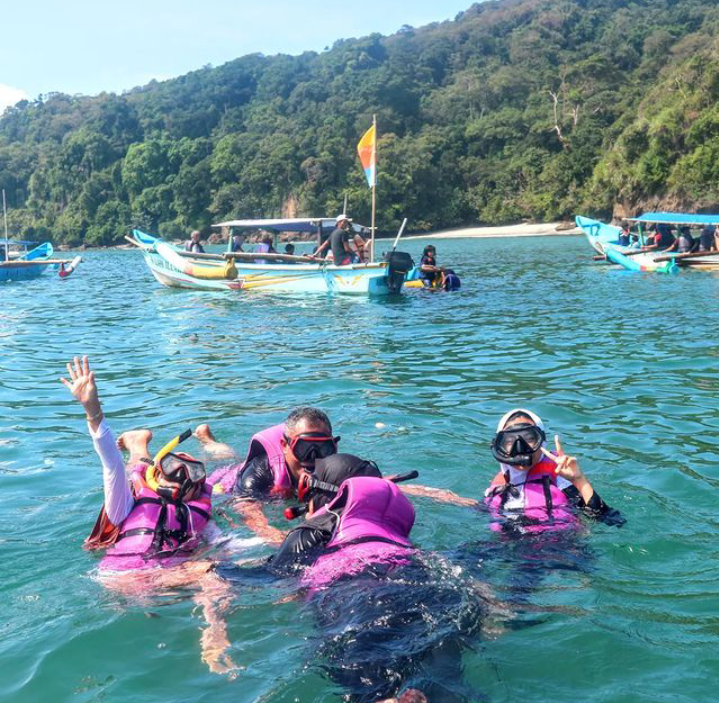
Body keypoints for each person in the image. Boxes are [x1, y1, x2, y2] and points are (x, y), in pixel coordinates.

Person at [60, 356, 238, 674]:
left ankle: (204, 442)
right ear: (159, 474)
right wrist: (93, 412)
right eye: (173, 467)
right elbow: (110, 464)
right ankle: (214, 638)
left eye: (192, 474)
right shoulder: (126, 504)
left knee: (232, 469)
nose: (183, 478)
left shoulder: (201, 510)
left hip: (165, 579)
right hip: (123, 581)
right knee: (210, 572)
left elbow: (227, 544)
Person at [261, 454, 488, 702]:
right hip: (424, 584)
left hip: (356, 594)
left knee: (370, 688)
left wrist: (215, 569)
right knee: (446, 681)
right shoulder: (394, 533)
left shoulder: (313, 531)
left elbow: (269, 578)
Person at [197, 407, 339, 542]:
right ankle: (207, 441)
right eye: (303, 448)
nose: (312, 459)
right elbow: (248, 510)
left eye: (322, 448)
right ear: (284, 446)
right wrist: (277, 536)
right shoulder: (258, 474)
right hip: (227, 480)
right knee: (225, 458)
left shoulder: (337, 468)